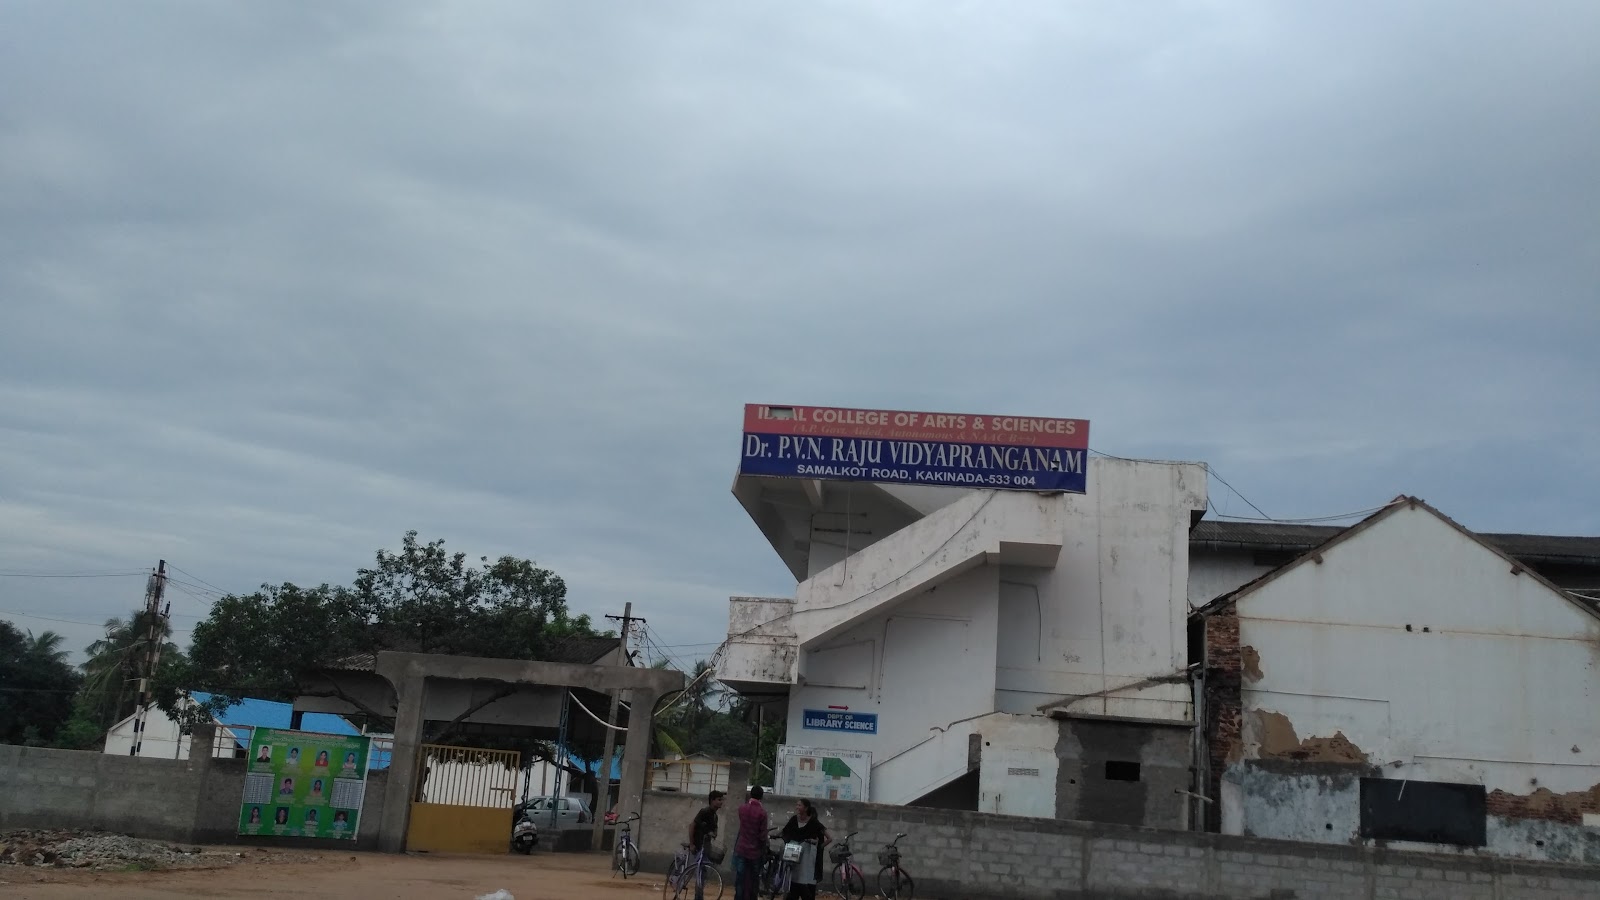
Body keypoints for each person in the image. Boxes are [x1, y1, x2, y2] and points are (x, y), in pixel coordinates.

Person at [779, 799, 829, 900]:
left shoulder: (814, 823)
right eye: (797, 805)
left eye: (799, 805)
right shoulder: (794, 820)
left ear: (806, 808)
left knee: (804, 883)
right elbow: (784, 832)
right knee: (793, 881)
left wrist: (818, 847)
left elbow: (829, 838)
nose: (797, 807)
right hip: (793, 857)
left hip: (807, 860)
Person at [733, 786, 770, 900]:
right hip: (755, 852)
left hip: (742, 849)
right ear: (761, 797)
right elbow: (762, 836)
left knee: (740, 878)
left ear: (750, 794)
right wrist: (764, 849)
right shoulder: (762, 813)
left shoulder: (742, 809)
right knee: (754, 880)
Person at [687, 790, 725, 900]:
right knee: (699, 872)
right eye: (719, 800)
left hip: (706, 847)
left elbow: (715, 831)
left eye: (721, 800)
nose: (721, 802)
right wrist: (692, 844)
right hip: (698, 846)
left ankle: (699, 896)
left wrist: (713, 833)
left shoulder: (715, 816)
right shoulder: (704, 812)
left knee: (703, 873)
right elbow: (692, 826)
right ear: (712, 801)